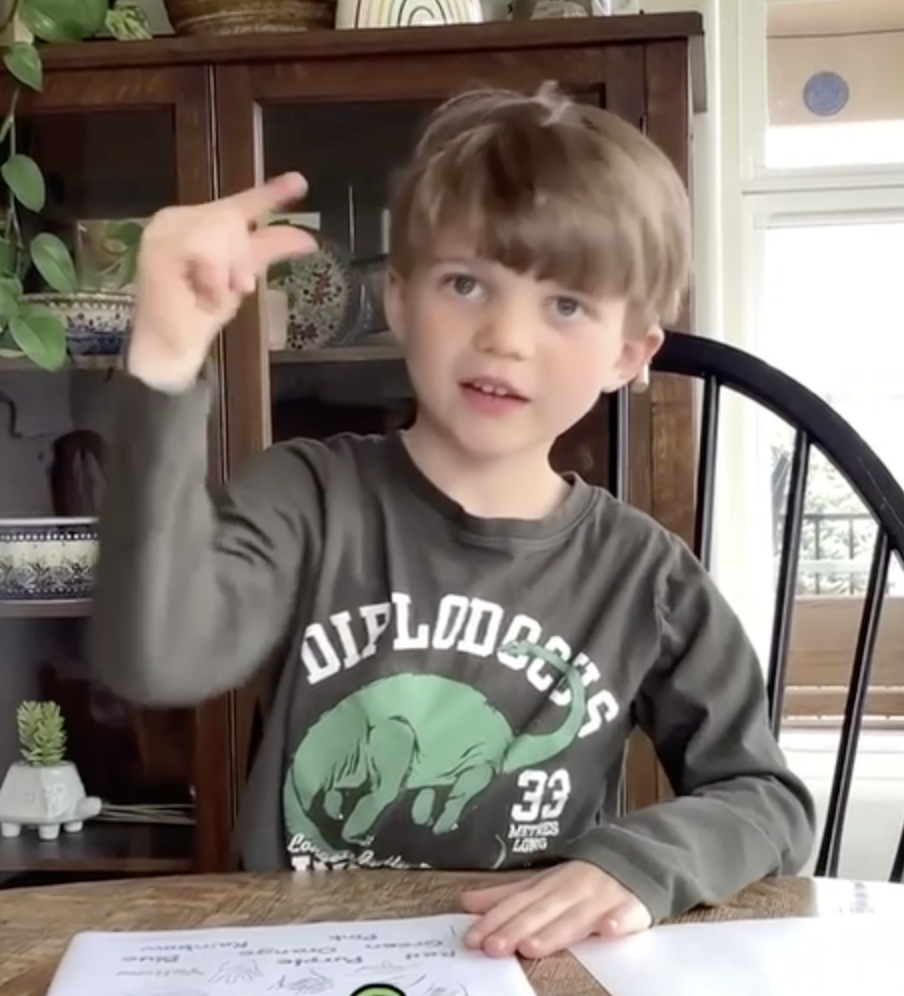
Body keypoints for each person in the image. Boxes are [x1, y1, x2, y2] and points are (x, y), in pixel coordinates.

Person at [90, 84, 815, 960]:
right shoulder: (307, 496)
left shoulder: (647, 577)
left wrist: (634, 867)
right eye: (466, 283)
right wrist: (165, 354)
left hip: (524, 966)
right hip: (299, 957)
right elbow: (156, 655)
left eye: (566, 304)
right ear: (399, 298)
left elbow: (766, 801)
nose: (505, 336)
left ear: (630, 354)